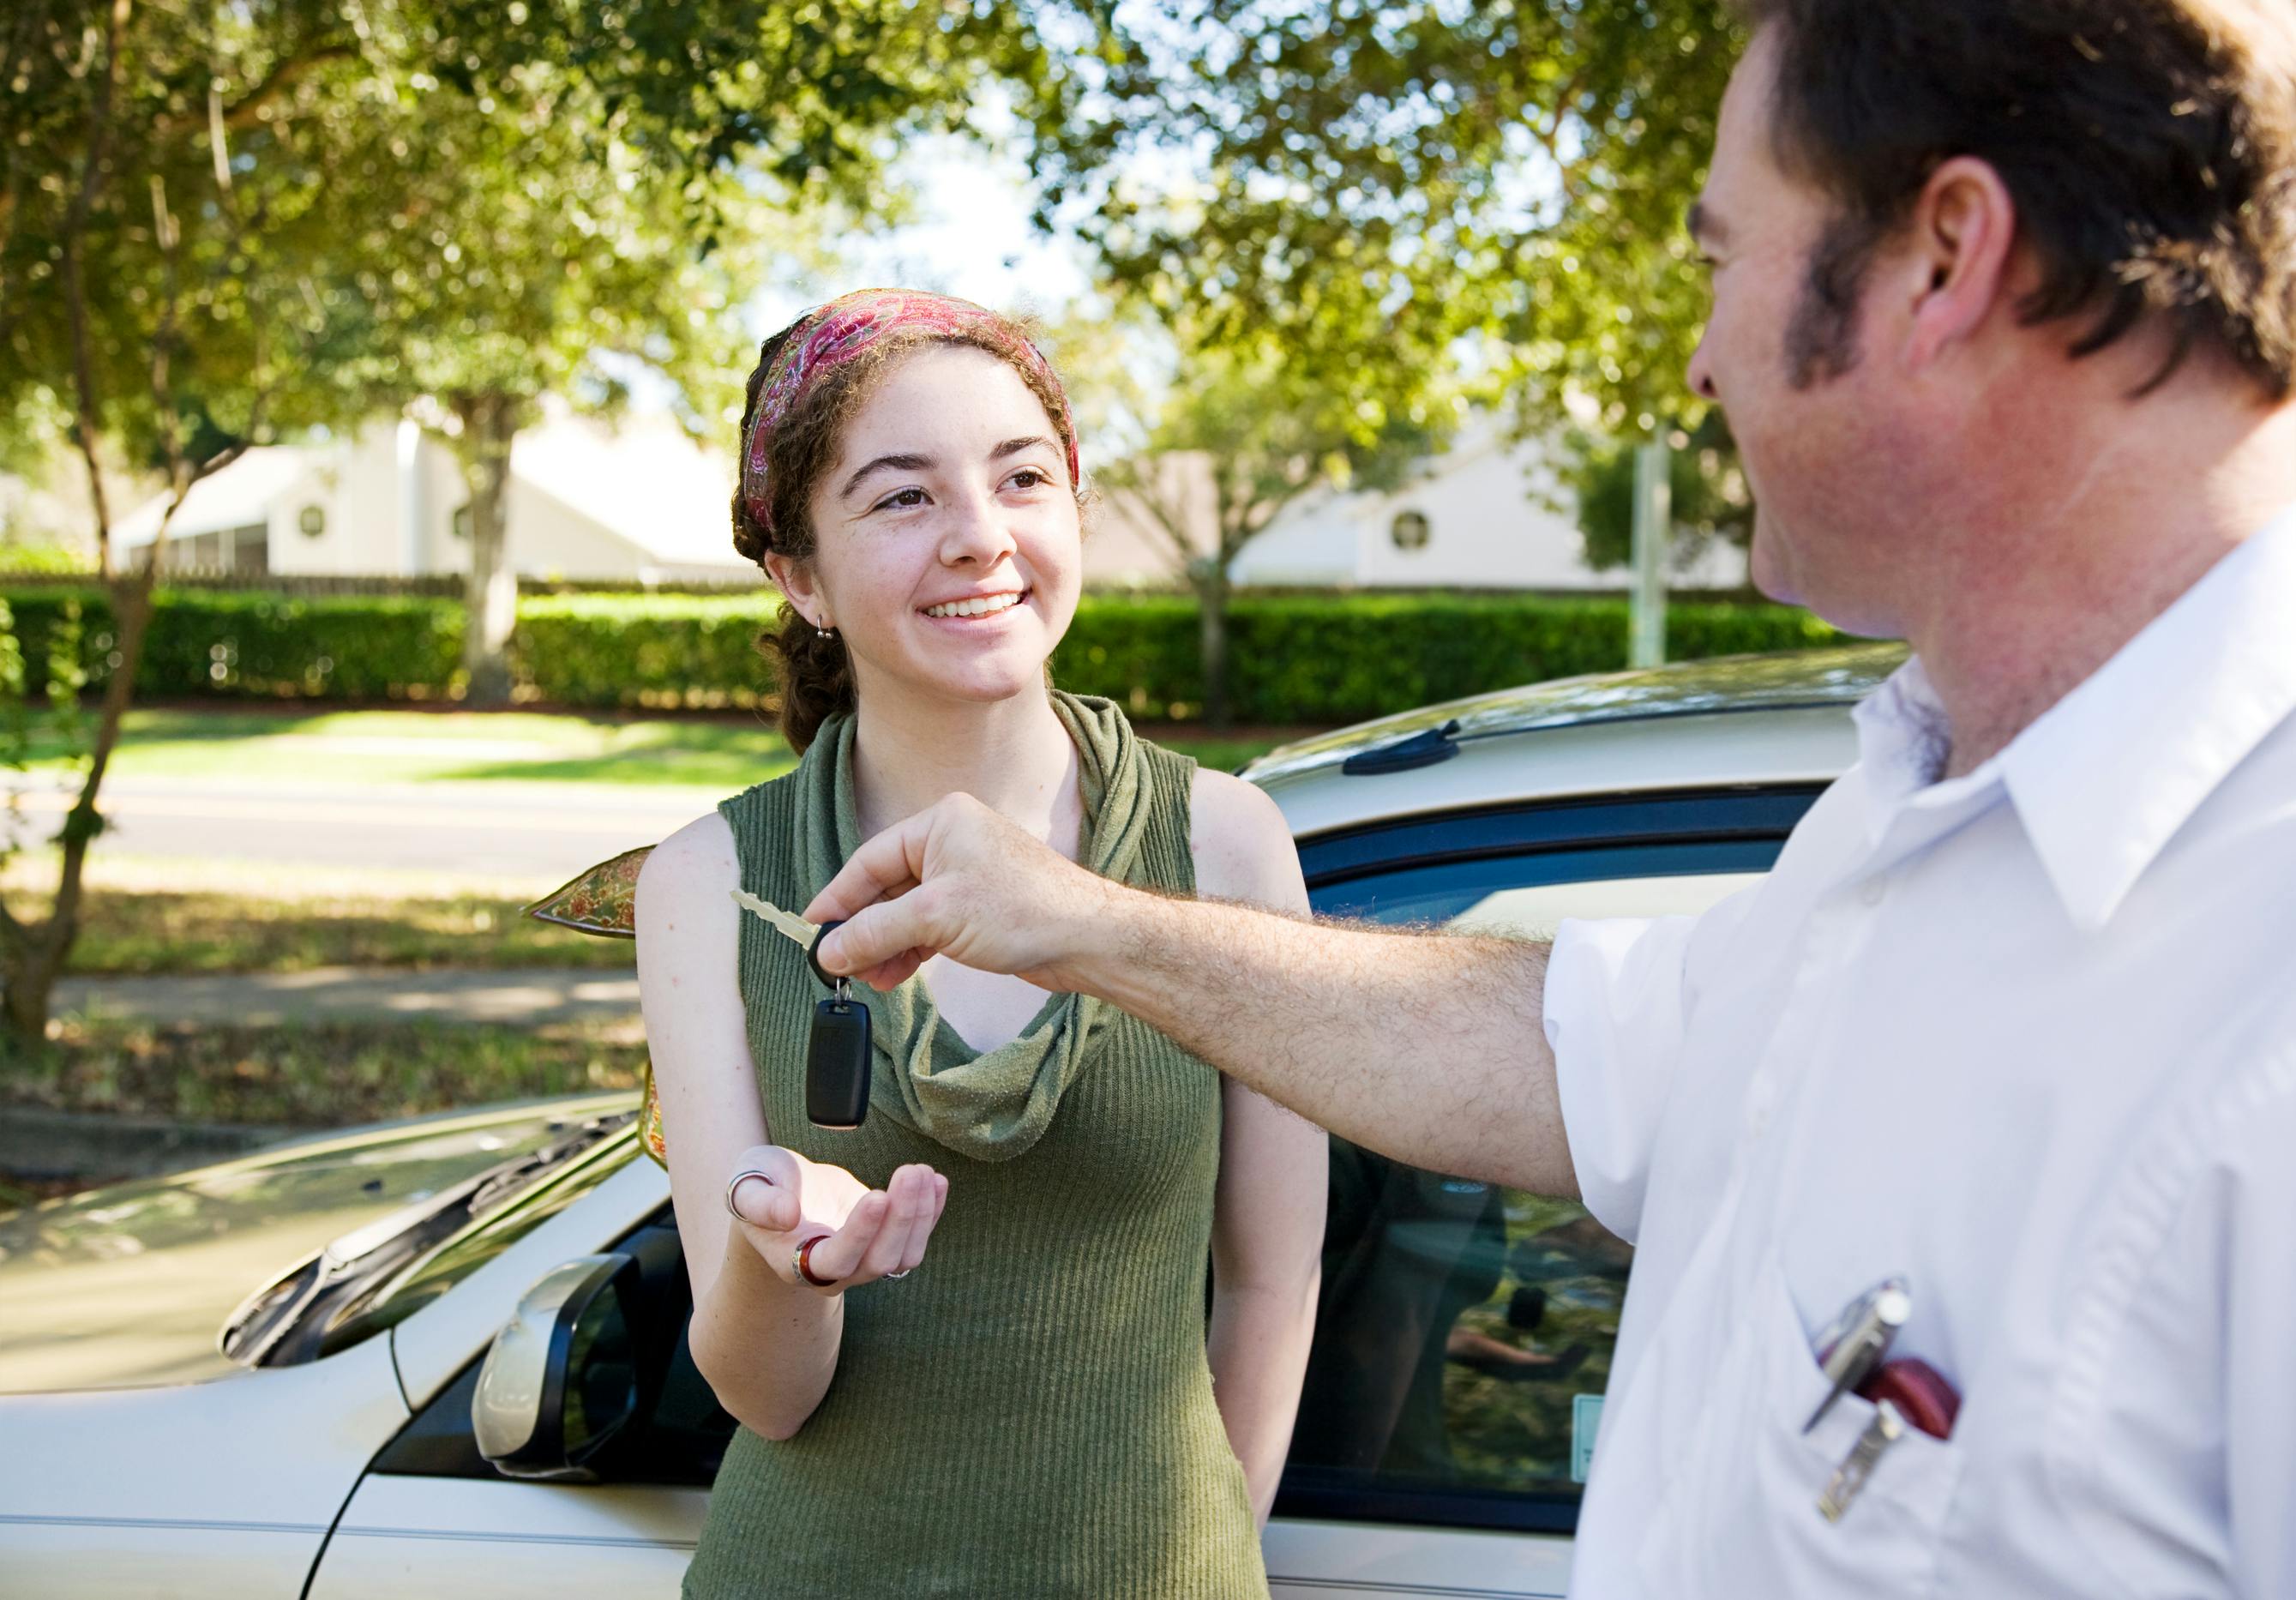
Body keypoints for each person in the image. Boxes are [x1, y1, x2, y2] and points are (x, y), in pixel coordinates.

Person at [803, 4, 2296, 1596]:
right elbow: (1583, 1056)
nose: (1698, 357)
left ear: (1941, 260)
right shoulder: (1899, 820)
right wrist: (1080, 920)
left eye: (1723, 259)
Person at [633, 290, 1325, 1599]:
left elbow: (1273, 1281)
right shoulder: (712, 882)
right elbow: (760, 1396)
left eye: (1021, 478)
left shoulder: (1226, 845)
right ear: (798, 575)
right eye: (902, 498)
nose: (979, 537)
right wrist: (792, 1268)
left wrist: (1202, 1557)